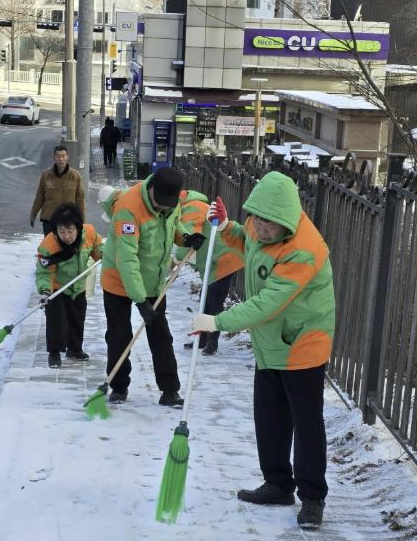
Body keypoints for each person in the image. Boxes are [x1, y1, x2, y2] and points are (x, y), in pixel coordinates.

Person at [192, 171, 335, 529]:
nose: (260, 228)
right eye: (256, 219)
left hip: (301, 343)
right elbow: (248, 243)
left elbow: (267, 304)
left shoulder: (303, 250)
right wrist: (228, 226)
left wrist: (216, 321)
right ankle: (278, 484)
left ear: (286, 220)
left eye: (269, 224)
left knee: (306, 423)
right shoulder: (260, 226)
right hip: (271, 341)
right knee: (270, 416)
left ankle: (312, 498)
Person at [100, 167, 205, 406]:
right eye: (160, 202)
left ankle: (170, 390)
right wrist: (140, 301)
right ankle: (118, 386)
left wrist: (186, 237)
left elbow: (172, 227)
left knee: (161, 336)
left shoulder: (170, 203)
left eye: (169, 203)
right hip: (118, 280)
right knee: (119, 336)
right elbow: (127, 260)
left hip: (153, 281)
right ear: (151, 189)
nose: (163, 207)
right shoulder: (128, 208)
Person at [175, 189, 243, 355]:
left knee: (214, 302)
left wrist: (177, 259)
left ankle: (212, 343)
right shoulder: (191, 205)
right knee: (205, 299)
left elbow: (190, 236)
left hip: (222, 261)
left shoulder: (193, 207)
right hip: (213, 262)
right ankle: (203, 339)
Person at [36, 204, 102, 368]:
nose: (67, 236)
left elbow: (98, 249)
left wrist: (104, 255)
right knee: (57, 320)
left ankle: (74, 349)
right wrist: (45, 291)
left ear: (78, 228)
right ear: (56, 231)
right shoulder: (48, 246)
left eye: (70, 231)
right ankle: (54, 352)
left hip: (78, 285)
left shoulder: (89, 233)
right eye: (62, 231)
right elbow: (44, 273)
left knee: (77, 318)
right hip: (56, 287)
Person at [30, 145, 85, 235]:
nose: (60, 159)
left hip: (68, 219)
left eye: (63, 156)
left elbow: (80, 199)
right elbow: (39, 197)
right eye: (58, 156)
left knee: (66, 243)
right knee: (50, 243)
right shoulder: (46, 175)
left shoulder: (75, 176)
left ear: (67, 157)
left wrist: (81, 218)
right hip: (49, 219)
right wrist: (33, 214)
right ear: (54, 158)